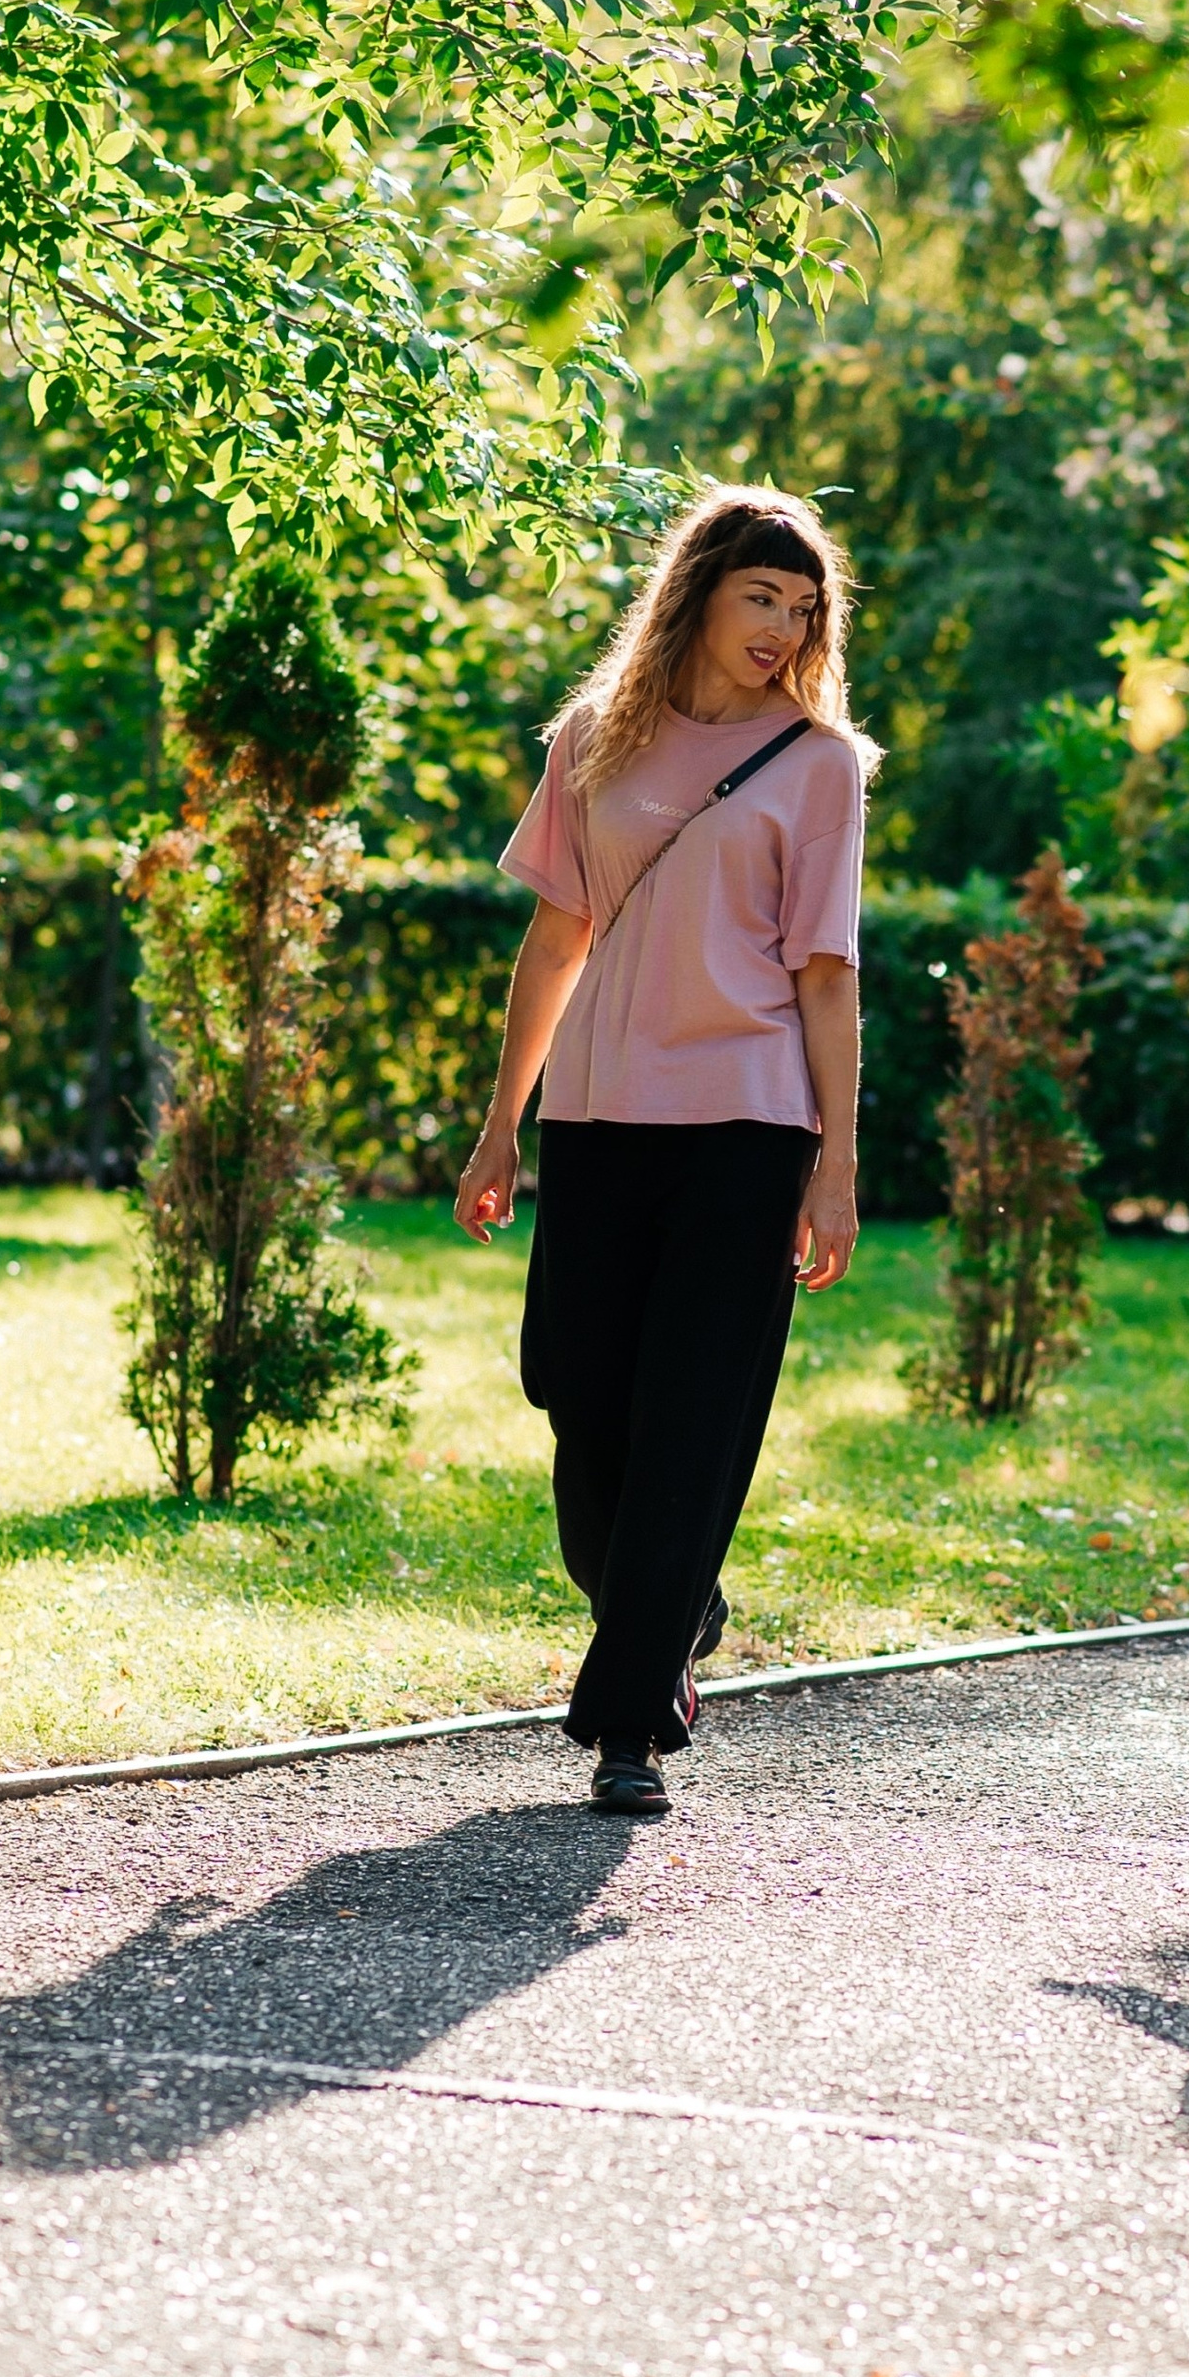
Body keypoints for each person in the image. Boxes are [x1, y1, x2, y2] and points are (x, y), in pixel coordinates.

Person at [454, 489, 871, 1819]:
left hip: (749, 1122)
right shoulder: (594, 738)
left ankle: (627, 1723)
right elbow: (556, 940)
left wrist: (836, 1164)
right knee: (575, 1392)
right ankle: (672, 1601)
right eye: (764, 597)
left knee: (690, 1416)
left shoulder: (817, 762)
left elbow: (826, 978)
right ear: (696, 592)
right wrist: (498, 1119)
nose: (784, 627)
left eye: (805, 609)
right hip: (595, 1112)